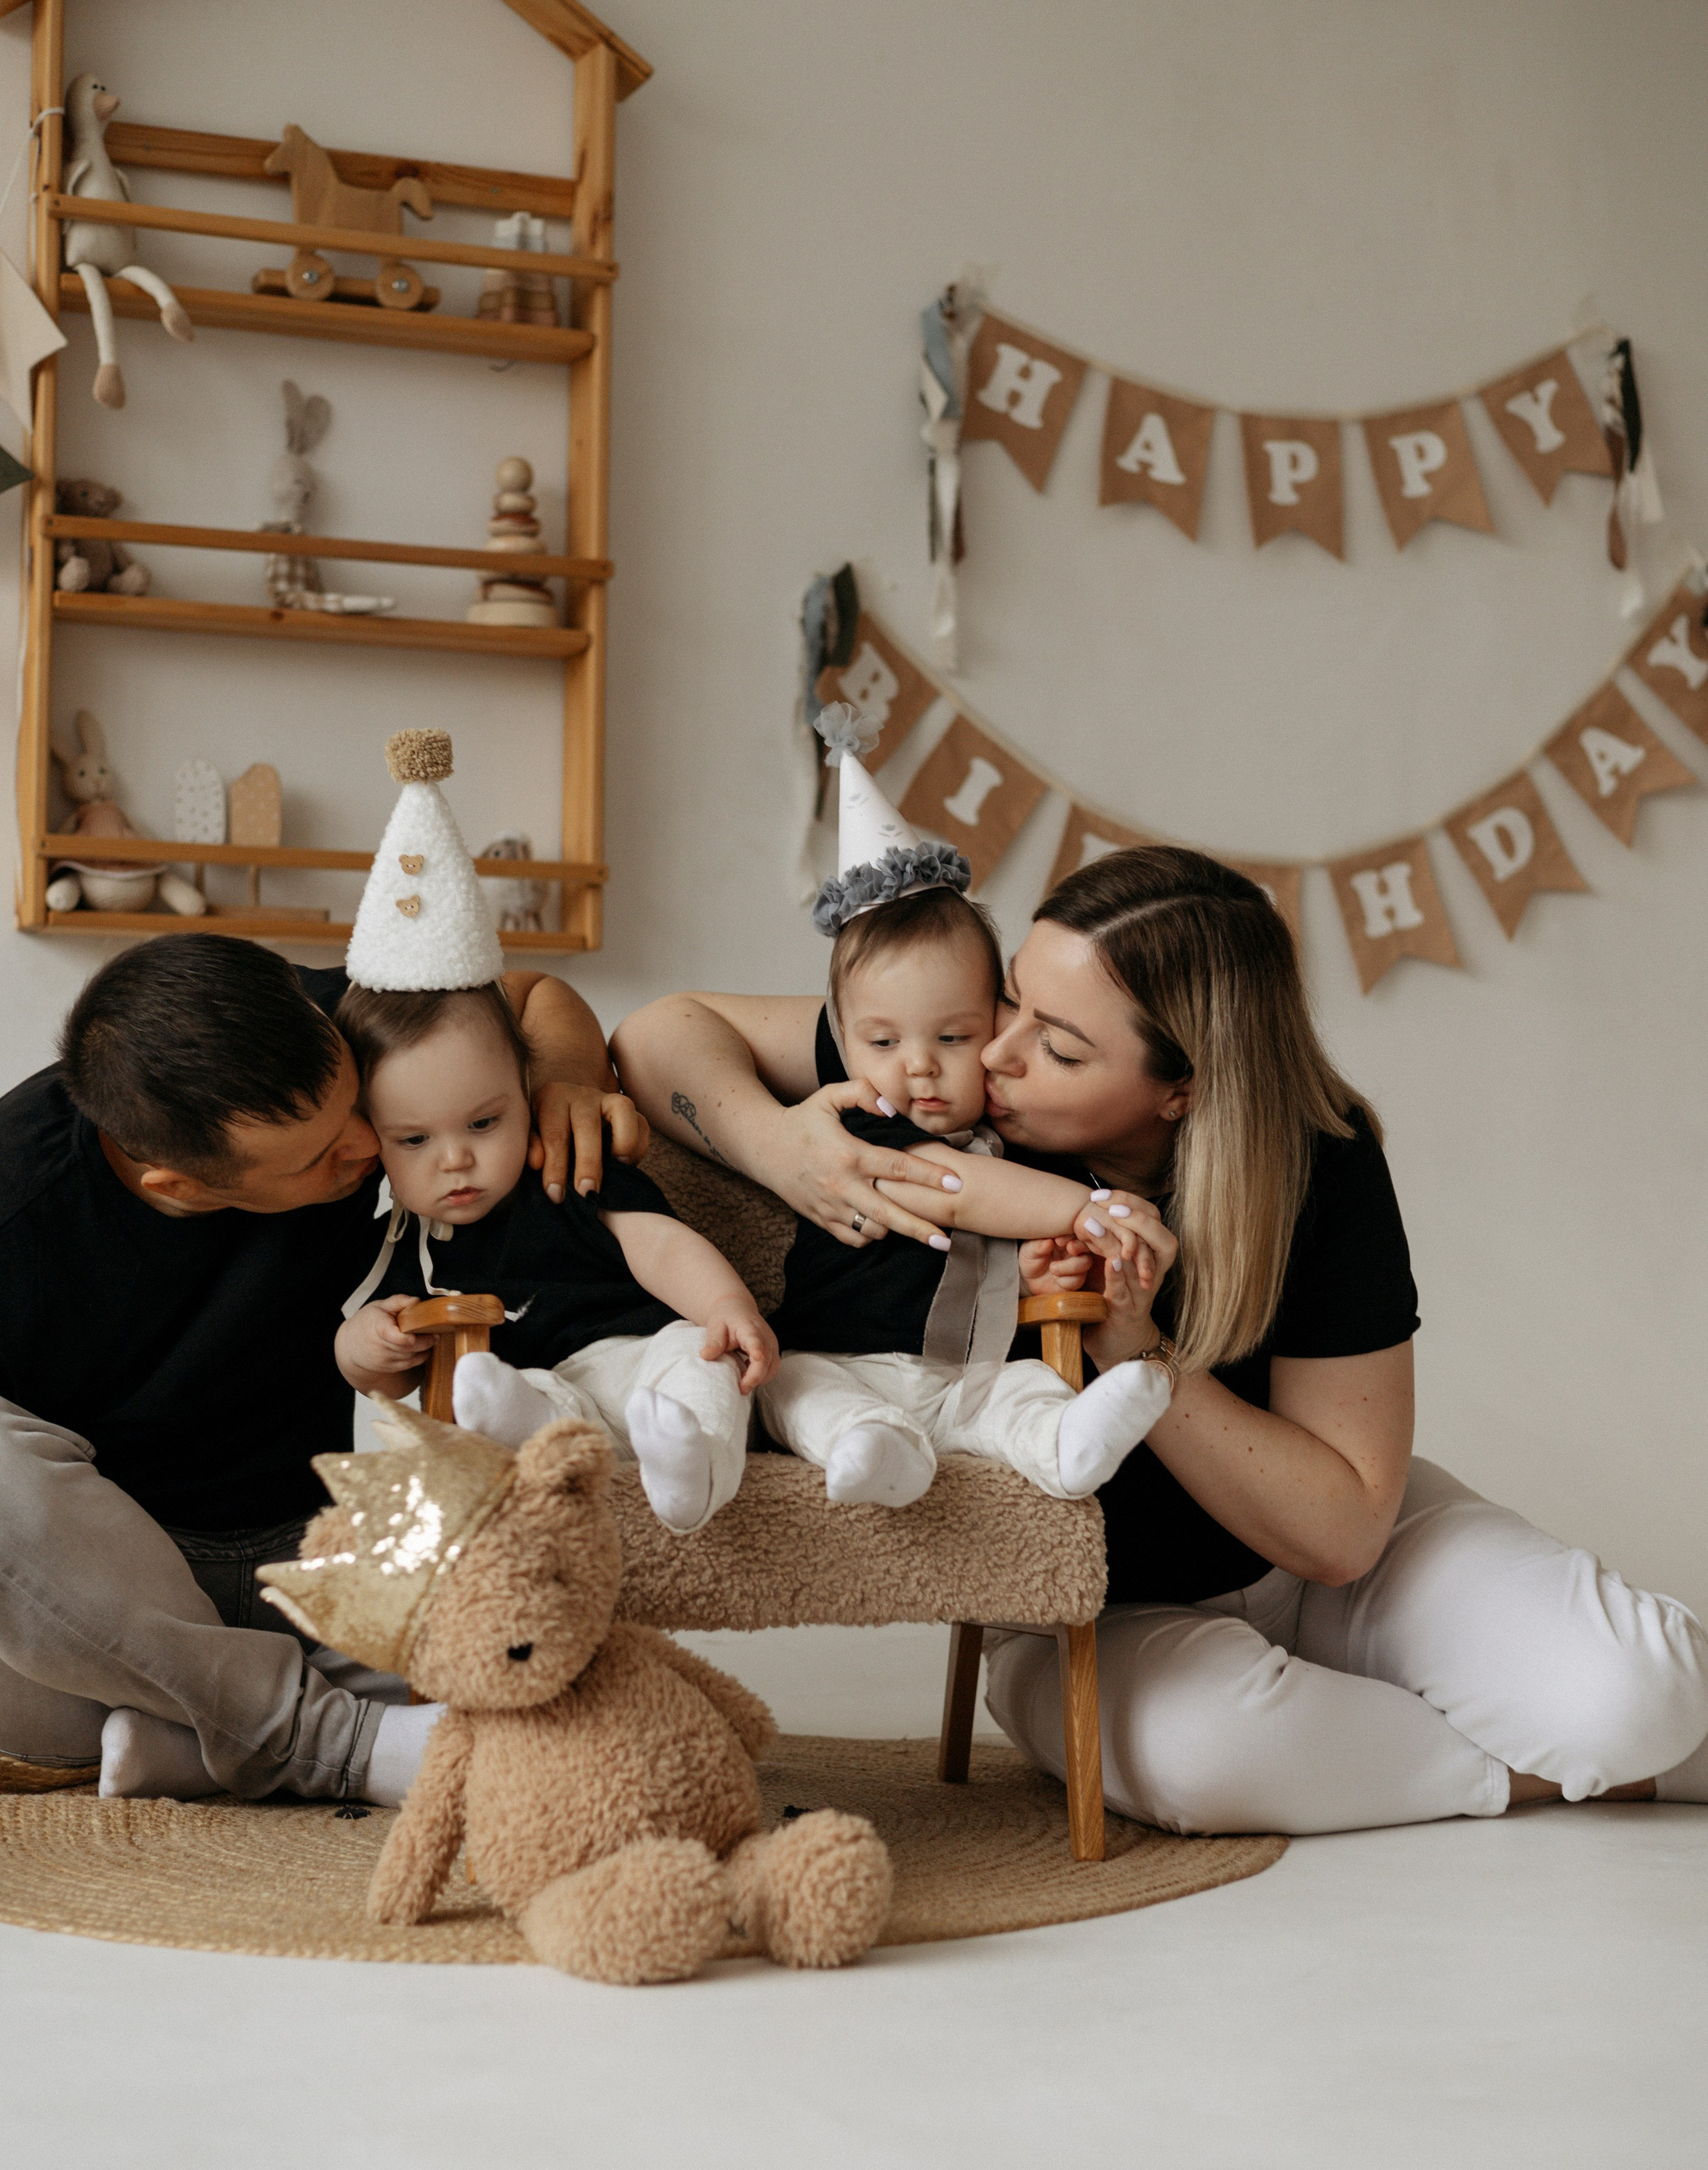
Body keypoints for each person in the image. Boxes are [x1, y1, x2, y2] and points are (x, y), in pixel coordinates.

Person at [613, 843, 1708, 1834]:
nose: (993, 1049)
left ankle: (1486, 1742)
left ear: (1179, 1088)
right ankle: (1546, 1773)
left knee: (1639, 1693)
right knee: (1211, 1761)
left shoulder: (1320, 1161)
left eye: (1058, 1044)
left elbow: (1340, 1535)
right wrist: (778, 1146)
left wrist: (1136, 1351)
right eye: (1012, 1000)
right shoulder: (945, 1071)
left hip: (1315, 1557)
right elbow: (660, 1032)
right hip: (1095, 1605)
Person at [0, 919, 638, 1808]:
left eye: (356, 1108)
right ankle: (332, 1745)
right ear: (177, 1183)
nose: (370, 1147)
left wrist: (567, 1072)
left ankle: (200, 1743)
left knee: (569, 1696)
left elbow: (529, 997)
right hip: (108, 1625)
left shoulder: (320, 1013)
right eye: (321, 1152)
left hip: (317, 1564)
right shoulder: (20, 1207)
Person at [328, 727, 776, 1534]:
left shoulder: (558, 1169)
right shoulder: (401, 1226)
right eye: (415, 1140)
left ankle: (691, 1467)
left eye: (485, 1120)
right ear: (372, 1137)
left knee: (695, 1365)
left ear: (526, 1087)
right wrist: (365, 1349)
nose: (457, 1156)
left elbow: (658, 1245)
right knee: (497, 1397)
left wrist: (725, 1305)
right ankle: (535, 1435)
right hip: (543, 1384)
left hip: (637, 1356)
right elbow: (373, 1356)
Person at [755, 716, 1172, 1509]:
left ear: (994, 1023)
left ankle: (1064, 1445)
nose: (917, 1065)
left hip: (964, 1378)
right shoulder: (856, 1126)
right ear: (843, 1041)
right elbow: (956, 1190)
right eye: (883, 1040)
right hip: (845, 1362)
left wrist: (1028, 1279)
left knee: (1021, 1394)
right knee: (796, 1388)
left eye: (953, 1036)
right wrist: (1083, 1211)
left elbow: (967, 1265)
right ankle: (870, 1449)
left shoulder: (1011, 1142)